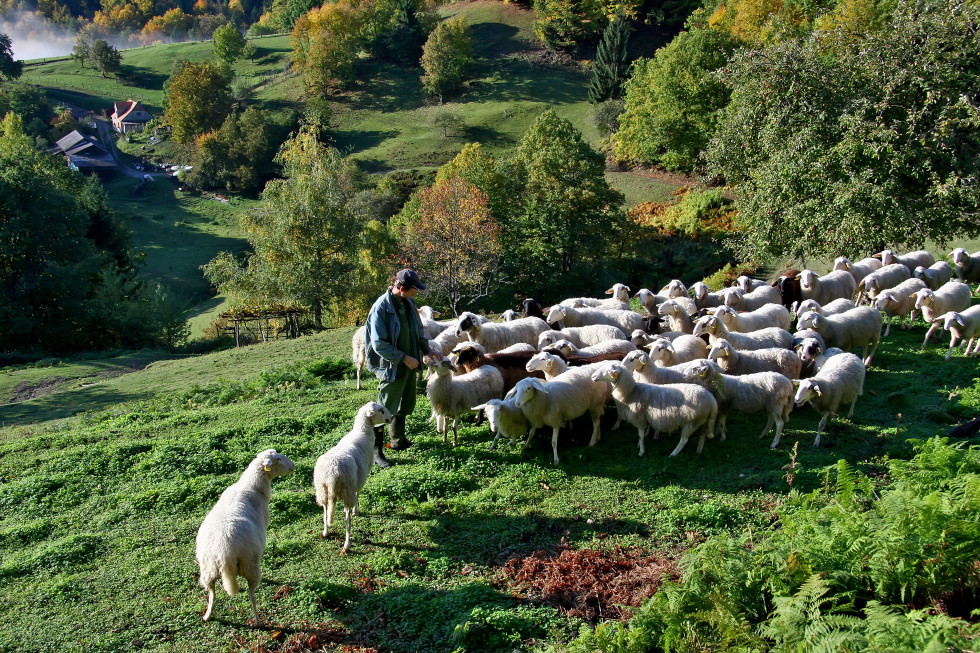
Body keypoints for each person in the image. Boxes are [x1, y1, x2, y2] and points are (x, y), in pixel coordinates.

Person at [364, 269, 441, 467]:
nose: (415, 293)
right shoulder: (381, 308)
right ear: (400, 288)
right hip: (391, 365)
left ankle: (397, 440)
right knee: (385, 406)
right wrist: (402, 358)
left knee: (405, 403)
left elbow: (417, 332)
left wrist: (427, 350)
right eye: (413, 289)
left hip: (410, 363)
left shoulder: (409, 303)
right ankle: (376, 452)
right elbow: (378, 343)